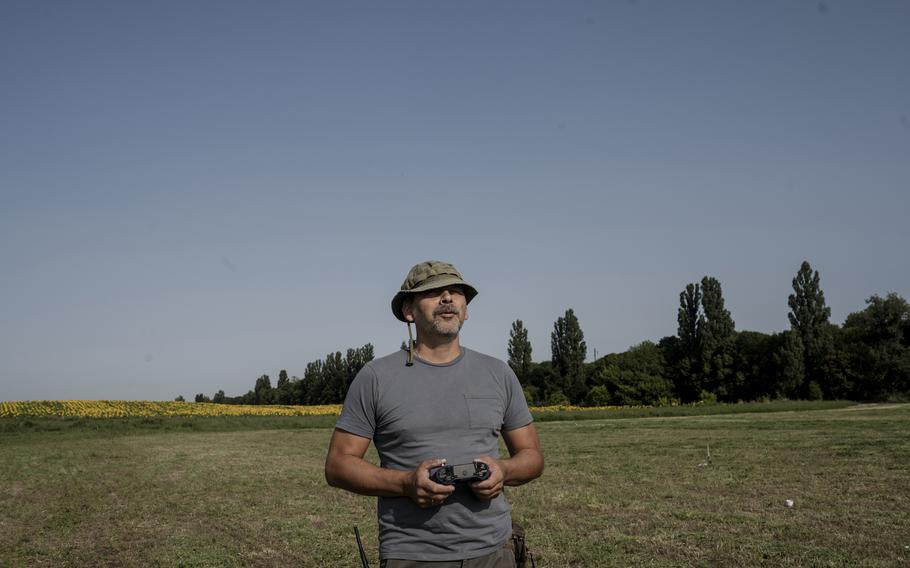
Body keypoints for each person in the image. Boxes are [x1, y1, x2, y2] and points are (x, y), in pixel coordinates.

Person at [325, 260, 544, 568]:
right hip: (412, 554)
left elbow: (532, 456)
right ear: (409, 311)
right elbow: (338, 466)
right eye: (432, 292)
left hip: (494, 551)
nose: (447, 298)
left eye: (455, 291)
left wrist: (503, 471)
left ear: (466, 309)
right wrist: (406, 484)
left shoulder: (498, 373)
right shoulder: (376, 377)